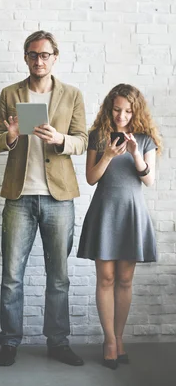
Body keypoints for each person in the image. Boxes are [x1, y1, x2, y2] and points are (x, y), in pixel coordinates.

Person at [0, 30, 88, 367]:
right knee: (11, 276)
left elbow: (83, 140)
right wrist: (12, 136)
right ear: (26, 57)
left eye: (45, 55)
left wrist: (61, 139)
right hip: (19, 197)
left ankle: (58, 342)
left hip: (59, 197)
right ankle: (10, 341)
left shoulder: (72, 95)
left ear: (54, 58)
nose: (39, 60)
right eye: (33, 54)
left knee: (58, 275)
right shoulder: (10, 94)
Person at [77, 84, 161, 369]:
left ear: (135, 111)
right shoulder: (98, 137)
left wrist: (136, 153)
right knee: (106, 279)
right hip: (105, 212)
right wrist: (110, 155)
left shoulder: (146, 139)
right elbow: (91, 178)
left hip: (131, 214)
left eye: (127, 111)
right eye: (117, 110)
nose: (121, 116)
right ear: (109, 108)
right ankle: (109, 340)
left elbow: (149, 181)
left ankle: (120, 337)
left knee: (125, 280)